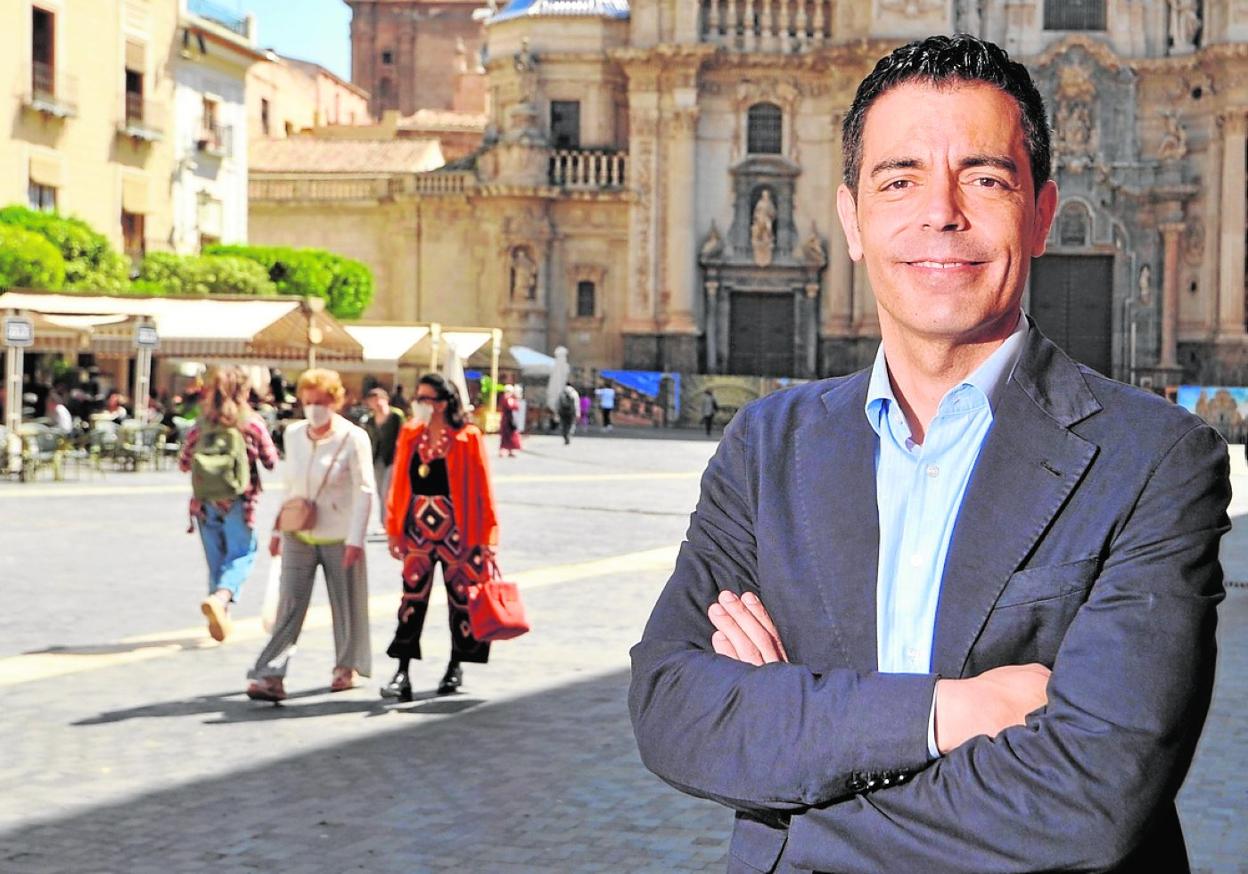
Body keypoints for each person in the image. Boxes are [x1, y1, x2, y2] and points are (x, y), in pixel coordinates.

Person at [629, 34, 1230, 872]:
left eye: (984, 178)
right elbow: (673, 709)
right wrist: (949, 713)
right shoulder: (767, 446)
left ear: (1043, 214)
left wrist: (790, 763)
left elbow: (1090, 797)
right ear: (852, 220)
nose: (940, 212)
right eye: (899, 179)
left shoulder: (1157, 460)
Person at [246, 368, 375, 702]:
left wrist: (356, 540)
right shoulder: (293, 434)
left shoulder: (353, 437)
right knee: (289, 605)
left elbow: (364, 491)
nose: (314, 408)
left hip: (339, 534)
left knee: (345, 605)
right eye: (308, 401)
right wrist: (277, 527)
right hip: (298, 533)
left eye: (321, 401)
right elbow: (289, 485)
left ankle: (345, 667)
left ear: (336, 401)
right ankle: (271, 674)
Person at [380, 372, 499, 700]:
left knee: (460, 601)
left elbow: (483, 489)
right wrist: (393, 528)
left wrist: (488, 536)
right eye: (418, 398)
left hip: (459, 532)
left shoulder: (467, 437)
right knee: (411, 600)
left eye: (425, 399)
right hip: (418, 530)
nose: (419, 404)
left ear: (443, 403)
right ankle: (402, 671)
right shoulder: (411, 434)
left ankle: (455, 665)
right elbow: (398, 487)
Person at [178, 367, 279, 642]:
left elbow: (184, 462)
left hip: (204, 502)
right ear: (244, 391)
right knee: (242, 553)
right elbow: (271, 460)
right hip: (239, 501)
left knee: (217, 561)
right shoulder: (251, 422)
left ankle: (221, 615)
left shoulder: (201, 423)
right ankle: (221, 599)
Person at [362, 387, 405, 531]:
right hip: (377, 459)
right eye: (373, 401)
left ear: (385, 399)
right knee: (380, 492)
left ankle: (389, 523)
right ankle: (384, 522)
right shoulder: (370, 420)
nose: (376, 403)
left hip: (392, 459)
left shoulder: (395, 416)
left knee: (387, 490)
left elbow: (403, 437)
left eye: (378, 399)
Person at [498, 384, 523, 457]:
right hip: (507, 420)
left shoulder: (510, 398)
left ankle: (510, 450)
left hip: (511, 419)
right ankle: (503, 450)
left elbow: (517, 407)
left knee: (512, 435)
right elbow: (511, 406)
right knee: (506, 436)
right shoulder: (506, 398)